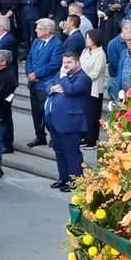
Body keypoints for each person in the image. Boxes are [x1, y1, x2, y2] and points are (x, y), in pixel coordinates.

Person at [46, 51, 91, 192]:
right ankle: (63, 179)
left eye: (69, 62)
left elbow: (71, 90)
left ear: (77, 63)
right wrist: (54, 88)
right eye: (64, 62)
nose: (65, 65)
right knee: (59, 151)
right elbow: (47, 84)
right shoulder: (61, 75)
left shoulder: (83, 78)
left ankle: (75, 182)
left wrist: (63, 78)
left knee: (72, 153)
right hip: (54, 121)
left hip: (71, 122)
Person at [25, 19, 62, 148]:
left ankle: (54, 136)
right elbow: (29, 59)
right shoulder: (36, 42)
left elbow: (54, 64)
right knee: (36, 111)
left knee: (47, 111)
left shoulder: (57, 44)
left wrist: (37, 74)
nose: (36, 30)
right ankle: (40, 136)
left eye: (39, 28)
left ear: (47, 30)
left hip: (45, 82)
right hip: (33, 83)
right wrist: (30, 74)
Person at [79, 31, 107, 150]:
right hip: (82, 86)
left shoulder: (100, 53)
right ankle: (85, 137)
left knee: (93, 115)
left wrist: (82, 79)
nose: (87, 40)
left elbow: (96, 72)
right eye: (86, 38)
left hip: (93, 88)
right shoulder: (85, 51)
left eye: (89, 38)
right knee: (84, 114)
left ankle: (92, 140)